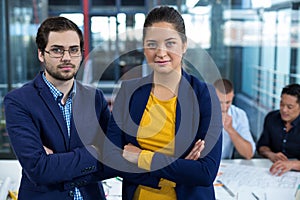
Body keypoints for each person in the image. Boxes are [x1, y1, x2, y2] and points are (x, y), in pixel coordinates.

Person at [103, 6, 223, 200]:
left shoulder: (205, 96)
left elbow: (205, 172)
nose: (161, 52)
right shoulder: (128, 92)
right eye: (152, 44)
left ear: (184, 45)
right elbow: (110, 159)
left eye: (170, 43)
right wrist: (178, 169)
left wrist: (141, 157)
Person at [4, 16, 114, 200]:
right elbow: (39, 169)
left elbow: (114, 159)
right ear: (41, 54)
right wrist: (96, 152)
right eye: (57, 50)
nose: (66, 58)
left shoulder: (95, 98)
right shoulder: (18, 101)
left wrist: (57, 163)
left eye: (73, 50)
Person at [257, 83, 300, 176]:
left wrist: (292, 164)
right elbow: (262, 146)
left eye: (290, 107)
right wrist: (270, 154)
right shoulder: (271, 118)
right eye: (282, 104)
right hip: (272, 172)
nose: (284, 110)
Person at [213, 78, 256, 159]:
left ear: (232, 97)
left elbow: (248, 153)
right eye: (219, 102)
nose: (224, 107)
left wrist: (230, 129)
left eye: (227, 102)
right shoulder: (199, 112)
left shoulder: (239, 115)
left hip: (225, 165)